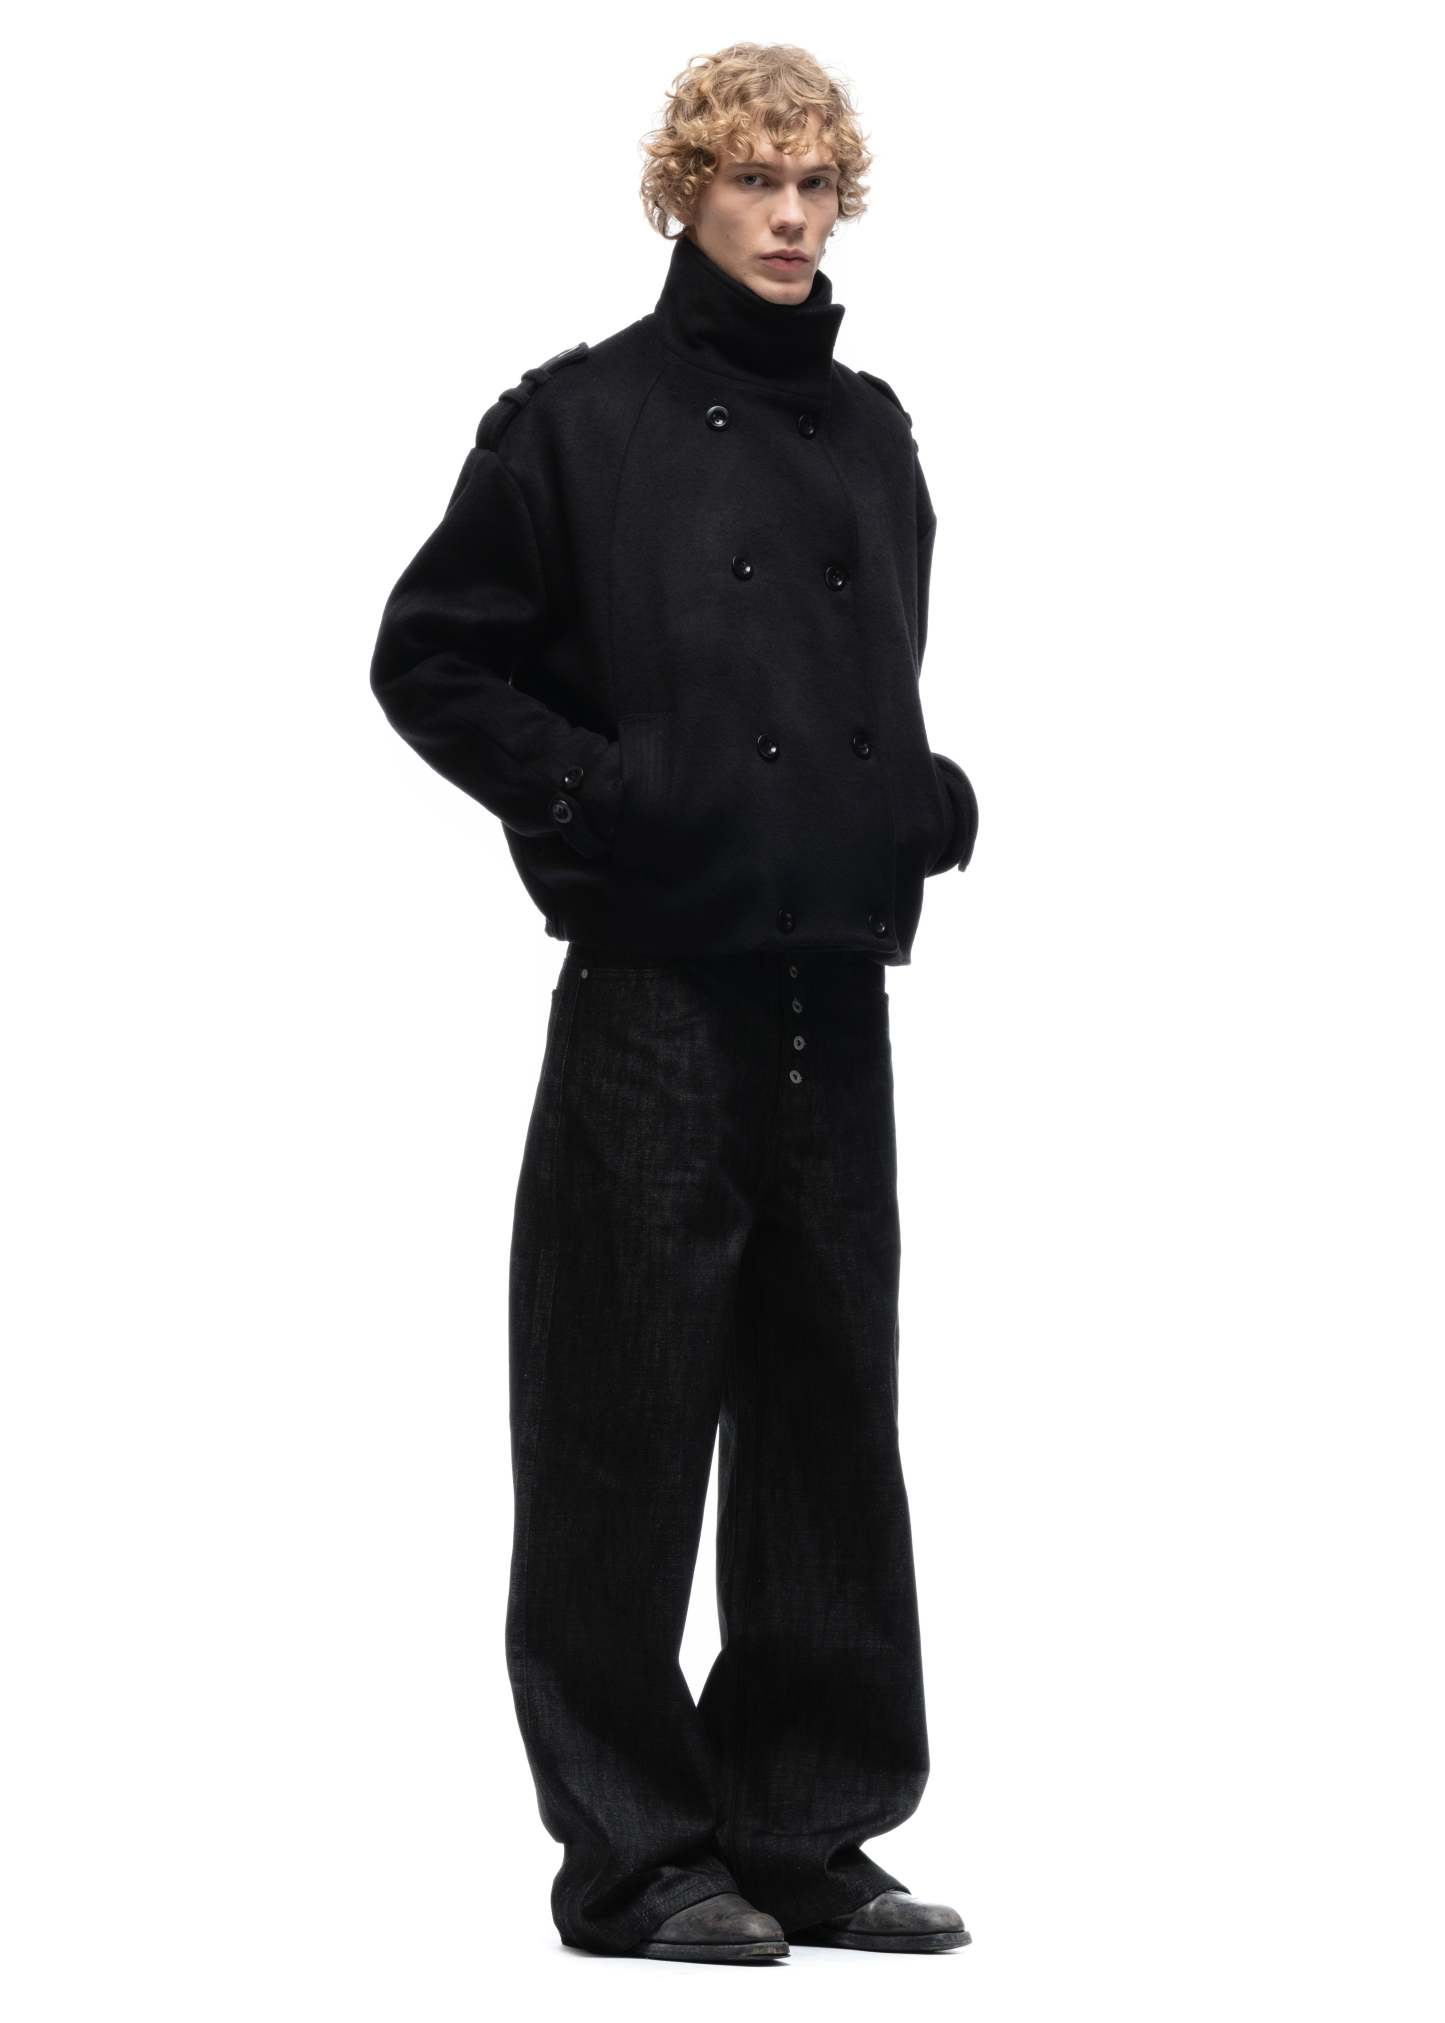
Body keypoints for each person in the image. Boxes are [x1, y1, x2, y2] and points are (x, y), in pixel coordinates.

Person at [369, 42, 978, 1965]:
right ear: (683, 194)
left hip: (829, 987)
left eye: (814, 185)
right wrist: (604, 802)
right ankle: (635, 1853)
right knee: (618, 1413)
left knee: (826, 1407)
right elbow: (430, 659)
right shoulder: (577, 421)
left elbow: (873, 663)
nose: (788, 217)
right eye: (751, 183)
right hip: (649, 985)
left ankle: (802, 1822)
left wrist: (914, 800)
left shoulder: (870, 429)